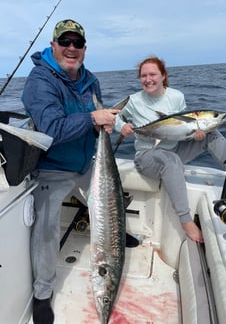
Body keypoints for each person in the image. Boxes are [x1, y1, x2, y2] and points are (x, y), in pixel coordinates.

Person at [21, 19, 137, 324]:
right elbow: (51, 129)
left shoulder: (90, 80)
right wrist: (92, 117)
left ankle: (113, 233)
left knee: (114, 207)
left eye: (78, 44)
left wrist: (104, 122)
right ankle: (43, 294)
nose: (72, 48)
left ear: (84, 49)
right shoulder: (39, 81)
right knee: (45, 230)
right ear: (54, 45)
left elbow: (95, 119)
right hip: (53, 169)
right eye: (66, 42)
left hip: (88, 164)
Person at [114, 56, 226, 243]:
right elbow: (113, 115)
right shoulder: (133, 100)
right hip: (147, 156)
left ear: (163, 75)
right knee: (171, 161)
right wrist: (121, 126)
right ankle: (186, 221)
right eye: (143, 75)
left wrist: (194, 134)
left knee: (212, 133)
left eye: (152, 74)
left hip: (174, 148)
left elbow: (183, 127)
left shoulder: (176, 96)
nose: (148, 79)